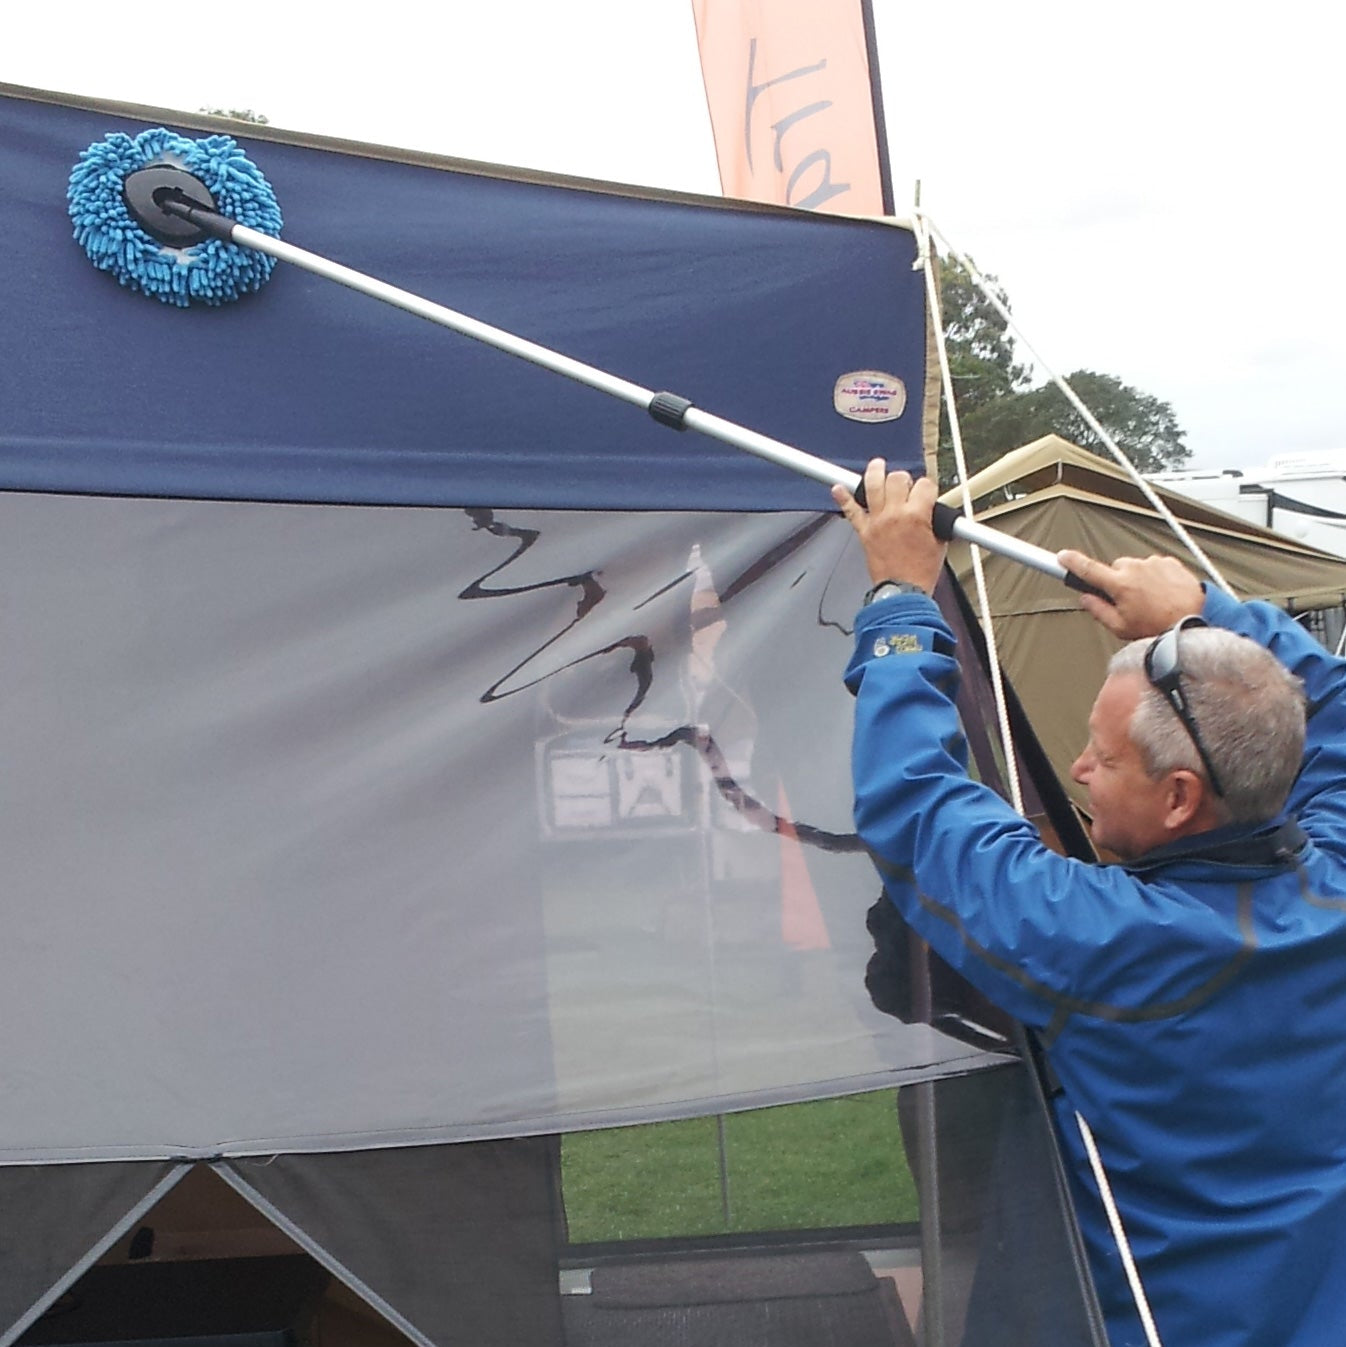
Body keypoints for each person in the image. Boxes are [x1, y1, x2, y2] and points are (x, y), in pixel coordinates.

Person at [832, 459, 1346, 1347]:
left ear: (1182, 798)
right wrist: (1205, 619)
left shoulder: (1112, 938)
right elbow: (1332, 709)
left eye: (1101, 757)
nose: (1074, 770)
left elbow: (919, 810)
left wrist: (901, 605)